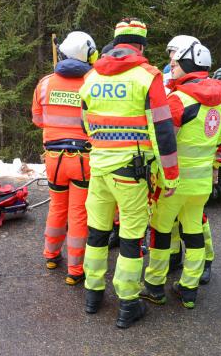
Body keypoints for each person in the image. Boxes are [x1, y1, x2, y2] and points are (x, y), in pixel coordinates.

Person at [79, 18, 179, 328]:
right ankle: (128, 303)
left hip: (99, 169)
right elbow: (163, 131)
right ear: (141, 46)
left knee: (96, 233)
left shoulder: (92, 76)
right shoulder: (148, 77)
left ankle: (93, 295)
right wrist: (171, 176)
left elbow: (86, 123)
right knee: (131, 237)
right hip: (131, 173)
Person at [139, 40, 221, 309]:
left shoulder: (178, 100)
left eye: (176, 63)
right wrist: (214, 172)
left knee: (161, 232)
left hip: (173, 183)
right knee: (194, 233)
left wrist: (157, 173)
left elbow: (165, 143)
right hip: (200, 184)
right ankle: (189, 288)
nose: (172, 66)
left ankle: (154, 285)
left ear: (189, 65)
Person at [32, 31, 96, 285]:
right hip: (83, 159)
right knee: (78, 213)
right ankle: (75, 269)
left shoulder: (45, 83)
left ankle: (50, 255)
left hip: (53, 158)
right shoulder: (93, 82)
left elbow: (38, 119)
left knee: (57, 207)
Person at [164, 35, 221, 285]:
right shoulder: (219, 101)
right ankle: (180, 260)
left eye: (174, 55)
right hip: (198, 179)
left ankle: (203, 262)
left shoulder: (184, 94)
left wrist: (215, 167)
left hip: (184, 176)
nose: (170, 60)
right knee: (188, 223)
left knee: (194, 224)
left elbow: (168, 140)